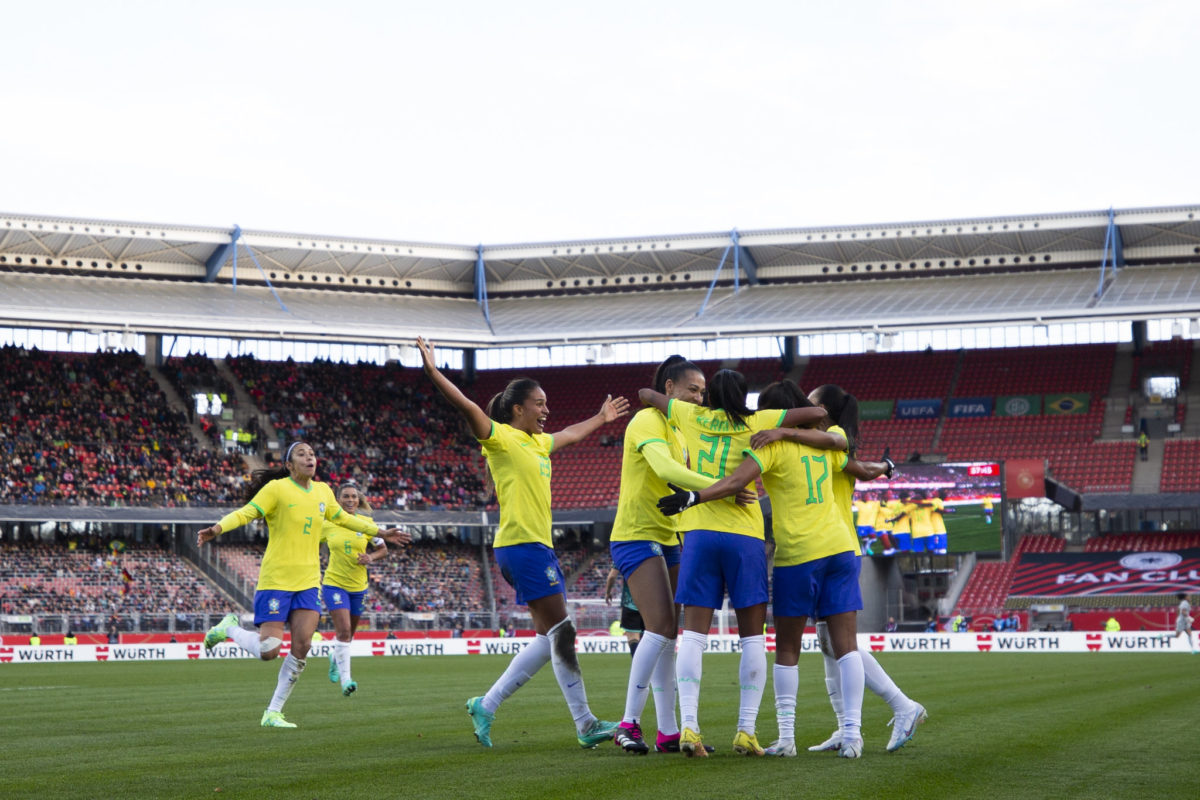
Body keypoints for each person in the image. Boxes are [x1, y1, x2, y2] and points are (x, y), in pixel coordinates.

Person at [416, 336, 628, 749]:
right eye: (540, 403)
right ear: (518, 409)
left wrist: (602, 418)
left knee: (549, 638)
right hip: (521, 546)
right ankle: (585, 724)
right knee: (563, 632)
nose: (546, 410)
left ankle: (486, 705)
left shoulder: (538, 443)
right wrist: (433, 371)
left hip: (535, 548)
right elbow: (468, 406)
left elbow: (570, 433)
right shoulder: (500, 439)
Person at [644, 372, 827, 757]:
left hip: (699, 531)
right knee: (753, 637)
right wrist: (783, 428)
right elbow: (819, 410)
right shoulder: (760, 420)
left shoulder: (691, 416)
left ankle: (690, 727)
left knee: (693, 634)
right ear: (748, 397)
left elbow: (646, 394)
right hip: (745, 536)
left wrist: (672, 401)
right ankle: (746, 730)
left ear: (707, 395)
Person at [754, 380, 926, 755]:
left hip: (819, 546)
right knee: (831, 644)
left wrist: (782, 430)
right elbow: (862, 468)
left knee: (835, 644)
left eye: (812, 403)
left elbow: (847, 454)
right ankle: (846, 727)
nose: (806, 406)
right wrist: (885, 466)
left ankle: (901, 705)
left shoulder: (821, 437)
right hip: (839, 546)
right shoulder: (822, 441)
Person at [197, 441, 405, 728]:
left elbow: (345, 519)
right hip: (277, 580)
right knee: (269, 650)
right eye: (301, 454)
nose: (310, 457)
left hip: (308, 583)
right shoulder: (277, 489)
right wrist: (217, 528)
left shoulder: (322, 492)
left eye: (312, 453)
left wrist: (380, 532)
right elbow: (246, 513)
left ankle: (273, 712)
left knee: (303, 645)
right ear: (289, 464)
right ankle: (229, 627)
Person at [607, 355, 751, 755]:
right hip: (637, 535)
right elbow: (665, 468)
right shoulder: (645, 422)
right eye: (693, 390)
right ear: (668, 388)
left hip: (670, 535)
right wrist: (726, 486)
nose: (700, 398)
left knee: (670, 632)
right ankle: (628, 724)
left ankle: (668, 731)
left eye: (703, 392)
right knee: (660, 627)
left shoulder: (681, 426)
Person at [322, 480, 404, 697]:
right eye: (346, 496)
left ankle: (334, 656)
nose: (350, 500)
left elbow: (383, 550)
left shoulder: (366, 523)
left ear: (358, 500)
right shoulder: (327, 523)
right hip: (334, 584)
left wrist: (370, 557)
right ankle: (346, 680)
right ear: (338, 500)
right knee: (344, 631)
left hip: (359, 587)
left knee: (347, 636)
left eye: (353, 496)